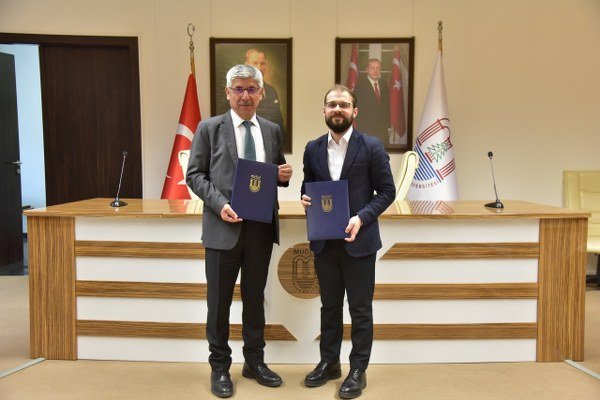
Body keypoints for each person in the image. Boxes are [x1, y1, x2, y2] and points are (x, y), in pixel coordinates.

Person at [186, 64, 293, 398]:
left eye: (251, 89)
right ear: (228, 92)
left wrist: (283, 176)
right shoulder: (209, 128)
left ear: (261, 93)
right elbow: (195, 175)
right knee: (218, 303)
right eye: (239, 89)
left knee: (255, 299)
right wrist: (221, 205)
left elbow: (273, 171)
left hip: (260, 228)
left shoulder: (272, 130)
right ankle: (220, 366)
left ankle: (254, 361)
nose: (245, 96)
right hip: (222, 227)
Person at [300, 84, 395, 399]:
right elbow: (308, 186)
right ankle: (329, 363)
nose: (337, 109)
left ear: (355, 111)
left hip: (360, 241)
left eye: (343, 104)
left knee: (360, 309)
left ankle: (358, 370)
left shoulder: (372, 146)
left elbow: (387, 192)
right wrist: (305, 198)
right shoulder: (312, 148)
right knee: (329, 307)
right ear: (324, 111)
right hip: (325, 242)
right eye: (332, 104)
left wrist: (361, 217)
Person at [244, 48, 285, 138]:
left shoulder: (272, 91)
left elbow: (279, 123)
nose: (259, 68)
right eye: (255, 63)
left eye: (262, 64)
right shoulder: (239, 92)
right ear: (246, 65)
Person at [353, 58, 391, 145]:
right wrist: (362, 129)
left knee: (383, 151)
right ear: (367, 69)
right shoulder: (360, 85)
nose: (375, 71)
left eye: (378, 68)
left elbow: (386, 106)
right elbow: (357, 107)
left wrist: (388, 126)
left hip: (382, 130)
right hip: (367, 129)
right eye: (372, 68)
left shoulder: (383, 84)